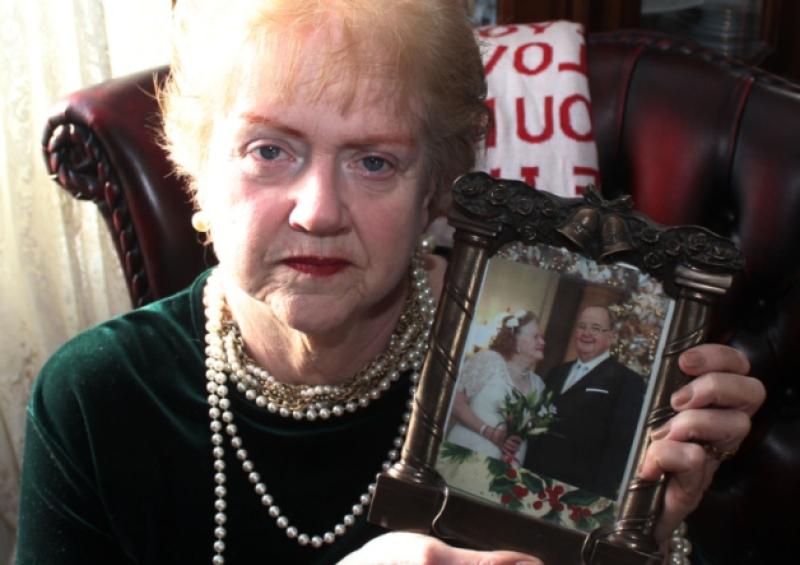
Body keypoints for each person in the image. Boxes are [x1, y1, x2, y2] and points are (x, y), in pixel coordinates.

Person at [16, 1, 764, 564]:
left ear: (437, 190)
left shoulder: (509, 388)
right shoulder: (93, 400)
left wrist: (641, 532)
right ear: (196, 168)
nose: (319, 212)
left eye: (374, 161)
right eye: (270, 150)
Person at [524, 305, 645, 498]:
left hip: (580, 488)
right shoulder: (557, 372)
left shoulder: (627, 381)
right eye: (582, 327)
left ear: (610, 337)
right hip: (533, 476)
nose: (586, 333)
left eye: (596, 328)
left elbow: (620, 447)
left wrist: (598, 496)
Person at [447, 310, 546, 464]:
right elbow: (455, 403)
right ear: (516, 341)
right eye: (536, 337)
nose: (542, 342)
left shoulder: (538, 384)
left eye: (542, 337)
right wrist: (490, 433)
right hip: (468, 454)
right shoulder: (488, 361)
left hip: (509, 465)